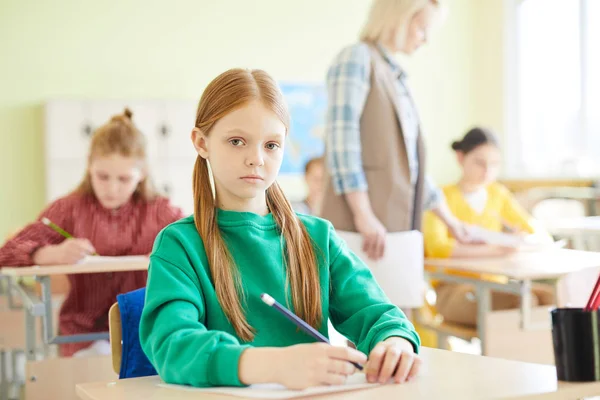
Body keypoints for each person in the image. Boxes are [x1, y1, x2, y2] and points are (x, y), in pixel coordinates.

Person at [139, 68, 422, 389]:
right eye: (236, 141)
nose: (256, 158)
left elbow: (378, 313)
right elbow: (172, 345)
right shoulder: (179, 245)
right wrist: (273, 365)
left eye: (271, 145)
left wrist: (396, 342)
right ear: (201, 142)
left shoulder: (318, 238)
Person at [0, 109, 184, 356]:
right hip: (81, 334)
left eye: (123, 179)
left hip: (144, 331)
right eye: (103, 176)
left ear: (142, 175)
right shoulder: (70, 208)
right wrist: (50, 253)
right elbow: (7, 253)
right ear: (89, 166)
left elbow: (199, 247)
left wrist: (171, 254)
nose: (111, 188)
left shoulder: (162, 211)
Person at [320, 0, 470, 261]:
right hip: (361, 226)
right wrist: (363, 213)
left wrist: (451, 222)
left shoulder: (398, 77)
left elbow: (411, 168)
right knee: (356, 299)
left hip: (396, 225)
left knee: (398, 299)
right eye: (422, 29)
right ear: (399, 18)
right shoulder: (357, 58)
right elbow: (341, 141)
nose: (425, 41)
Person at [423, 127, 553, 326]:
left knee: (550, 298)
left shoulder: (497, 194)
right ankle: (510, 354)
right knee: (524, 302)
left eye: (494, 164)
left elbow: (531, 228)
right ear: (460, 157)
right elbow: (438, 249)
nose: (487, 171)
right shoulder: (440, 199)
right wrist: (496, 250)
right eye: (479, 162)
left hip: (496, 284)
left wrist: (525, 239)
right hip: (453, 290)